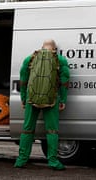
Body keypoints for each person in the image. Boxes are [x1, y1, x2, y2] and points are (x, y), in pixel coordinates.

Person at [14, 39, 70, 170]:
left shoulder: (30, 58)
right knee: (52, 131)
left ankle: (21, 160)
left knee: (27, 129)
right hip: (51, 100)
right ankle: (53, 161)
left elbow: (23, 80)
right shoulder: (61, 60)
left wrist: (23, 98)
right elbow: (64, 82)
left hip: (31, 99)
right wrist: (62, 101)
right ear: (54, 49)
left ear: (41, 48)